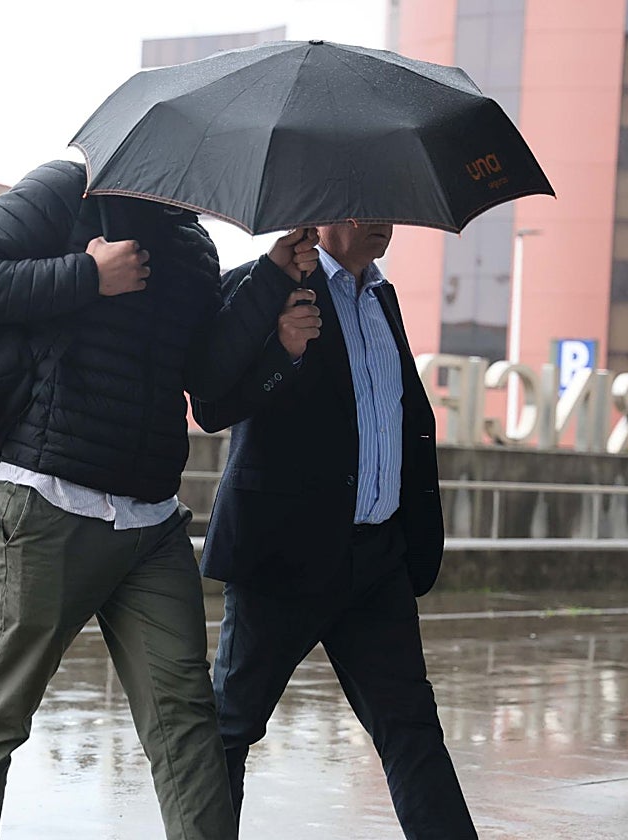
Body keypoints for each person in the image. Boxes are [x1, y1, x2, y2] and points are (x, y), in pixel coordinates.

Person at [0, 158, 318, 840]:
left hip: (149, 522)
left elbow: (205, 384)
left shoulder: (193, 245)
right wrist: (87, 275)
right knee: (0, 718)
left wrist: (272, 280)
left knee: (187, 720)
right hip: (49, 505)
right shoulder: (65, 194)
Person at [191, 221, 478, 838]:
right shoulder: (265, 281)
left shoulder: (381, 296)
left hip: (376, 559)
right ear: (322, 215)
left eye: (389, 205)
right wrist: (282, 353)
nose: (383, 218)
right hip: (283, 558)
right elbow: (211, 403)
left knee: (413, 733)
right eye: (364, 203)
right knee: (229, 731)